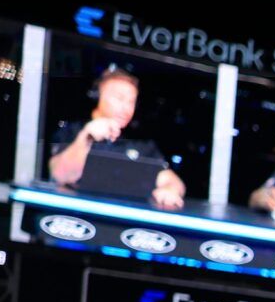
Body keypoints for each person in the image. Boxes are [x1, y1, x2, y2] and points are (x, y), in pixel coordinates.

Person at [47, 68, 185, 210]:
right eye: (119, 99)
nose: (126, 108)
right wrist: (86, 138)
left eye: (131, 102)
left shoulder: (141, 143)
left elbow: (170, 179)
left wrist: (171, 189)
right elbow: (60, 175)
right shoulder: (73, 131)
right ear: (97, 96)